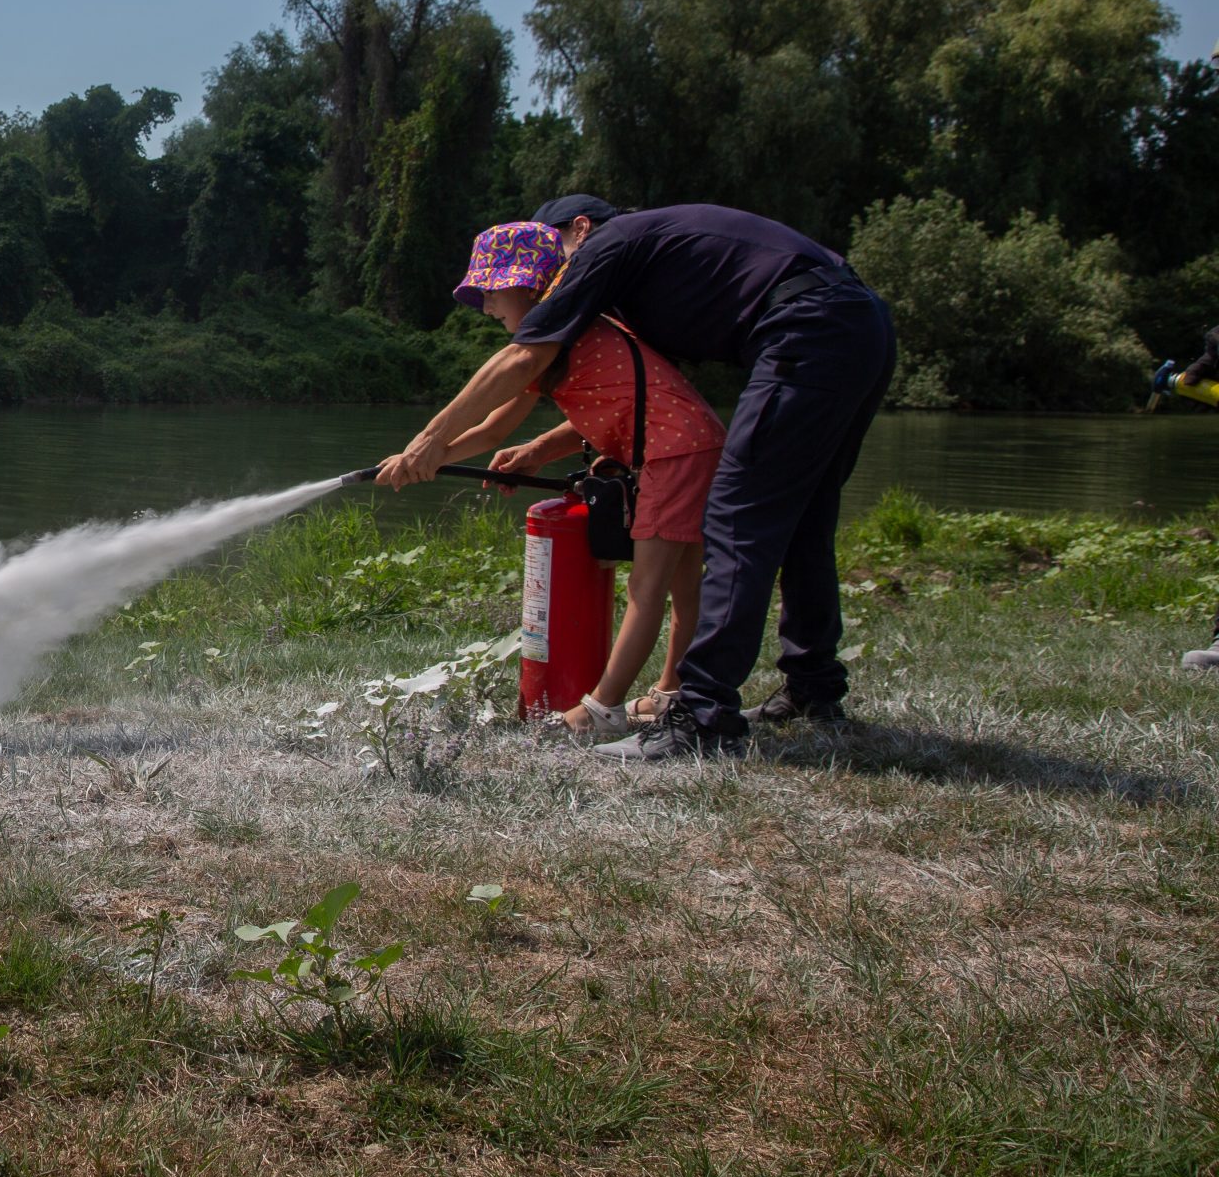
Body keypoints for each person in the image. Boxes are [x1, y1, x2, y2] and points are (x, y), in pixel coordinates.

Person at [375, 196, 896, 762]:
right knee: (806, 520)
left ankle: (700, 716)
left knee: (737, 522)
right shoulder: (644, 277)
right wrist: (538, 450)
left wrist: (428, 441)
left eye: (556, 255)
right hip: (856, 323)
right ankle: (812, 687)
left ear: (579, 231)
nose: (559, 274)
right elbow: (627, 398)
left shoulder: (609, 244)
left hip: (807, 328)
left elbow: (524, 358)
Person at [438, 222, 727, 738]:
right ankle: (671, 691)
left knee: (648, 587)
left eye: (492, 289)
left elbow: (492, 426)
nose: (486, 305)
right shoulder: (568, 335)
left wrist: (427, 450)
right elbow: (497, 429)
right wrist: (429, 458)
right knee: (683, 585)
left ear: (530, 285)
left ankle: (602, 709)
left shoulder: (559, 337)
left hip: (675, 451)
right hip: (692, 442)